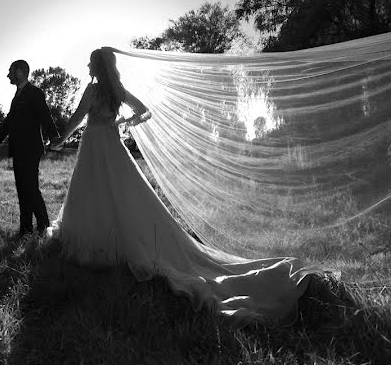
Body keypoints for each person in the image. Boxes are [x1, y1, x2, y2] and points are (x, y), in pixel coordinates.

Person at [48, 47, 316, 325]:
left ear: (97, 66)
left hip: (94, 145)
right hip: (112, 146)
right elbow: (145, 111)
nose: (87, 66)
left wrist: (59, 139)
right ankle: (115, 241)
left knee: (95, 192)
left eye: (90, 62)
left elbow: (78, 117)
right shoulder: (117, 90)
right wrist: (123, 122)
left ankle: (100, 244)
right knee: (122, 195)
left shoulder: (92, 90)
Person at [0, 59, 60, 237]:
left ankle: (44, 227)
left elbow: (45, 116)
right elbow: (7, 124)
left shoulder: (35, 93)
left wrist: (54, 137)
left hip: (31, 149)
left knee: (31, 188)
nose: (8, 75)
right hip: (18, 150)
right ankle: (25, 229)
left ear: (20, 72)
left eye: (10, 71)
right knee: (22, 190)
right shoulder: (16, 97)